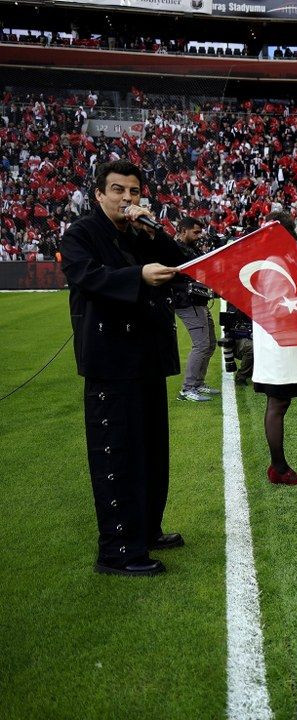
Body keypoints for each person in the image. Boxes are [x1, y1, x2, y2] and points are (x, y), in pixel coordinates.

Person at [61, 160, 188, 576]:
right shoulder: (80, 233)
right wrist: (137, 274)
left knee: (152, 452)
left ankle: (147, 530)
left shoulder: (140, 233)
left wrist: (156, 232)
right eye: (118, 190)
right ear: (99, 194)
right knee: (118, 455)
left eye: (133, 192)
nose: (127, 199)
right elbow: (86, 274)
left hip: (146, 359)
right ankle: (117, 551)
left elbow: (182, 264)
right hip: (111, 363)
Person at [254, 211, 297, 488]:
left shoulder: (279, 260)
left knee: (280, 403)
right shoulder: (274, 262)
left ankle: (279, 466)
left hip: (281, 340)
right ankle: (279, 468)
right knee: (278, 403)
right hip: (278, 341)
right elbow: (276, 307)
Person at [172, 216, 218, 402]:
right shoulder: (175, 249)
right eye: (196, 232)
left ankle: (198, 383)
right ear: (184, 231)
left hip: (197, 301)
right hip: (186, 302)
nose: (199, 236)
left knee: (210, 343)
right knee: (201, 345)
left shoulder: (191, 247)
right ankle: (187, 389)